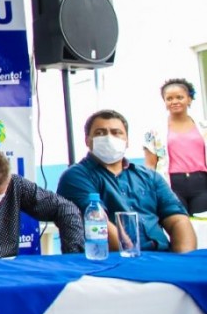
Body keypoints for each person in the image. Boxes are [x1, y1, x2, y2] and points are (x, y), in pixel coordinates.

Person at [58, 109, 196, 253]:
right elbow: (98, 221)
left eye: (116, 132)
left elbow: (178, 220)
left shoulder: (150, 177)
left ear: (127, 141)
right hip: (114, 261)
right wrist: (133, 257)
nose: (108, 138)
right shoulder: (76, 177)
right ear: (87, 140)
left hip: (162, 258)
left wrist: (184, 261)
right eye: (100, 133)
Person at [143, 78, 207, 215]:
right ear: (164, 102)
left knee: (203, 228)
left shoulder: (204, 127)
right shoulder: (154, 131)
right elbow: (150, 165)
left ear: (189, 99)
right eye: (169, 98)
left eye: (180, 97)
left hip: (202, 184)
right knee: (178, 225)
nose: (175, 101)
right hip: (170, 185)